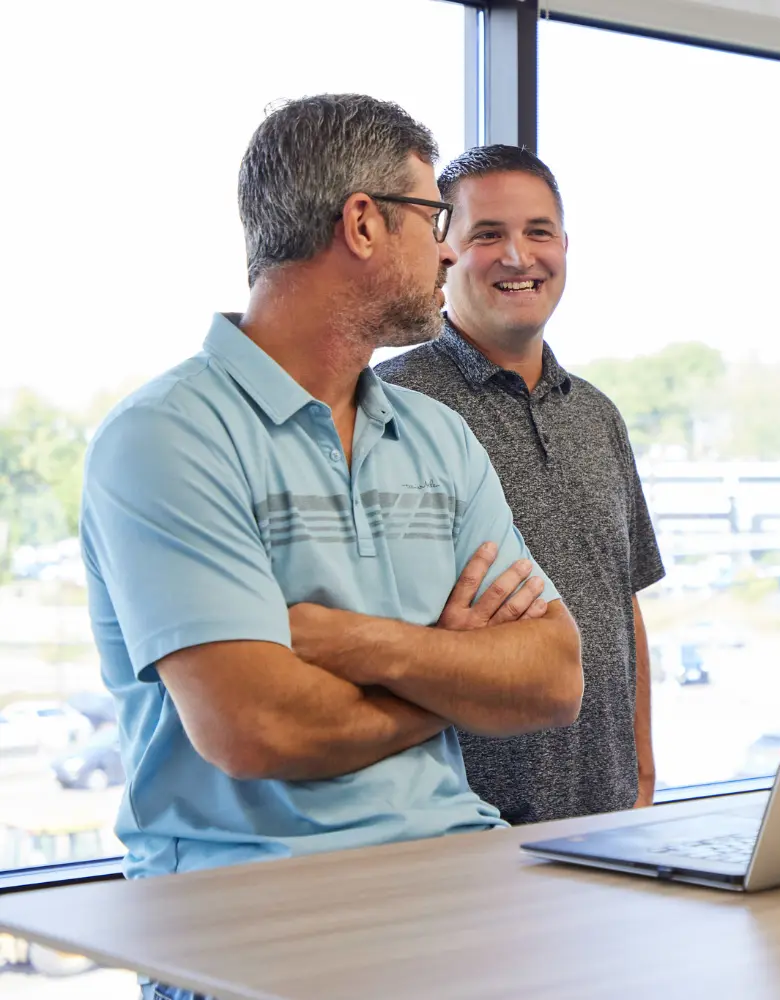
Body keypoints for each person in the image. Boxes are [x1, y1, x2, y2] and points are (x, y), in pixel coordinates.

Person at [81, 95, 584, 999]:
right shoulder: (168, 437)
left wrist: (352, 643)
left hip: (457, 894)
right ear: (361, 222)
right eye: (434, 219)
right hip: (248, 928)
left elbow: (553, 679)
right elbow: (258, 726)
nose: (446, 250)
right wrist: (455, 677)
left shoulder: (438, 438)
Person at [377, 145, 665, 823]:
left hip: (608, 823)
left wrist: (643, 774)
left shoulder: (598, 415)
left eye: (538, 232)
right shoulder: (392, 405)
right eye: (488, 235)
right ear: (443, 252)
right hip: (462, 828)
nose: (518, 256)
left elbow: (621, 604)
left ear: (565, 245)